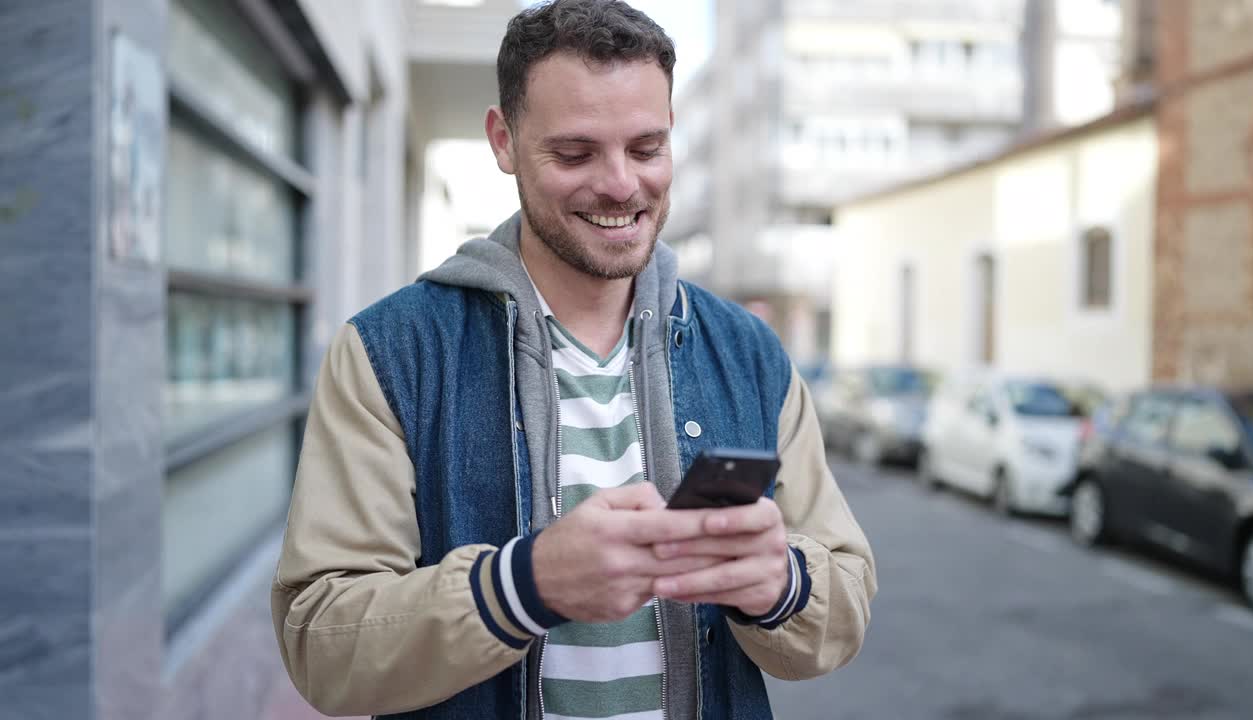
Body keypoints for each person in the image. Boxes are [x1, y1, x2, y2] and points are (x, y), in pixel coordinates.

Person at [270, 1, 876, 718]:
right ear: (503, 140)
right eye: (575, 153)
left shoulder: (749, 354)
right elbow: (322, 645)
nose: (621, 184)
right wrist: (524, 587)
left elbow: (844, 602)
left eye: (647, 149)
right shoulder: (389, 353)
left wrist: (779, 586)